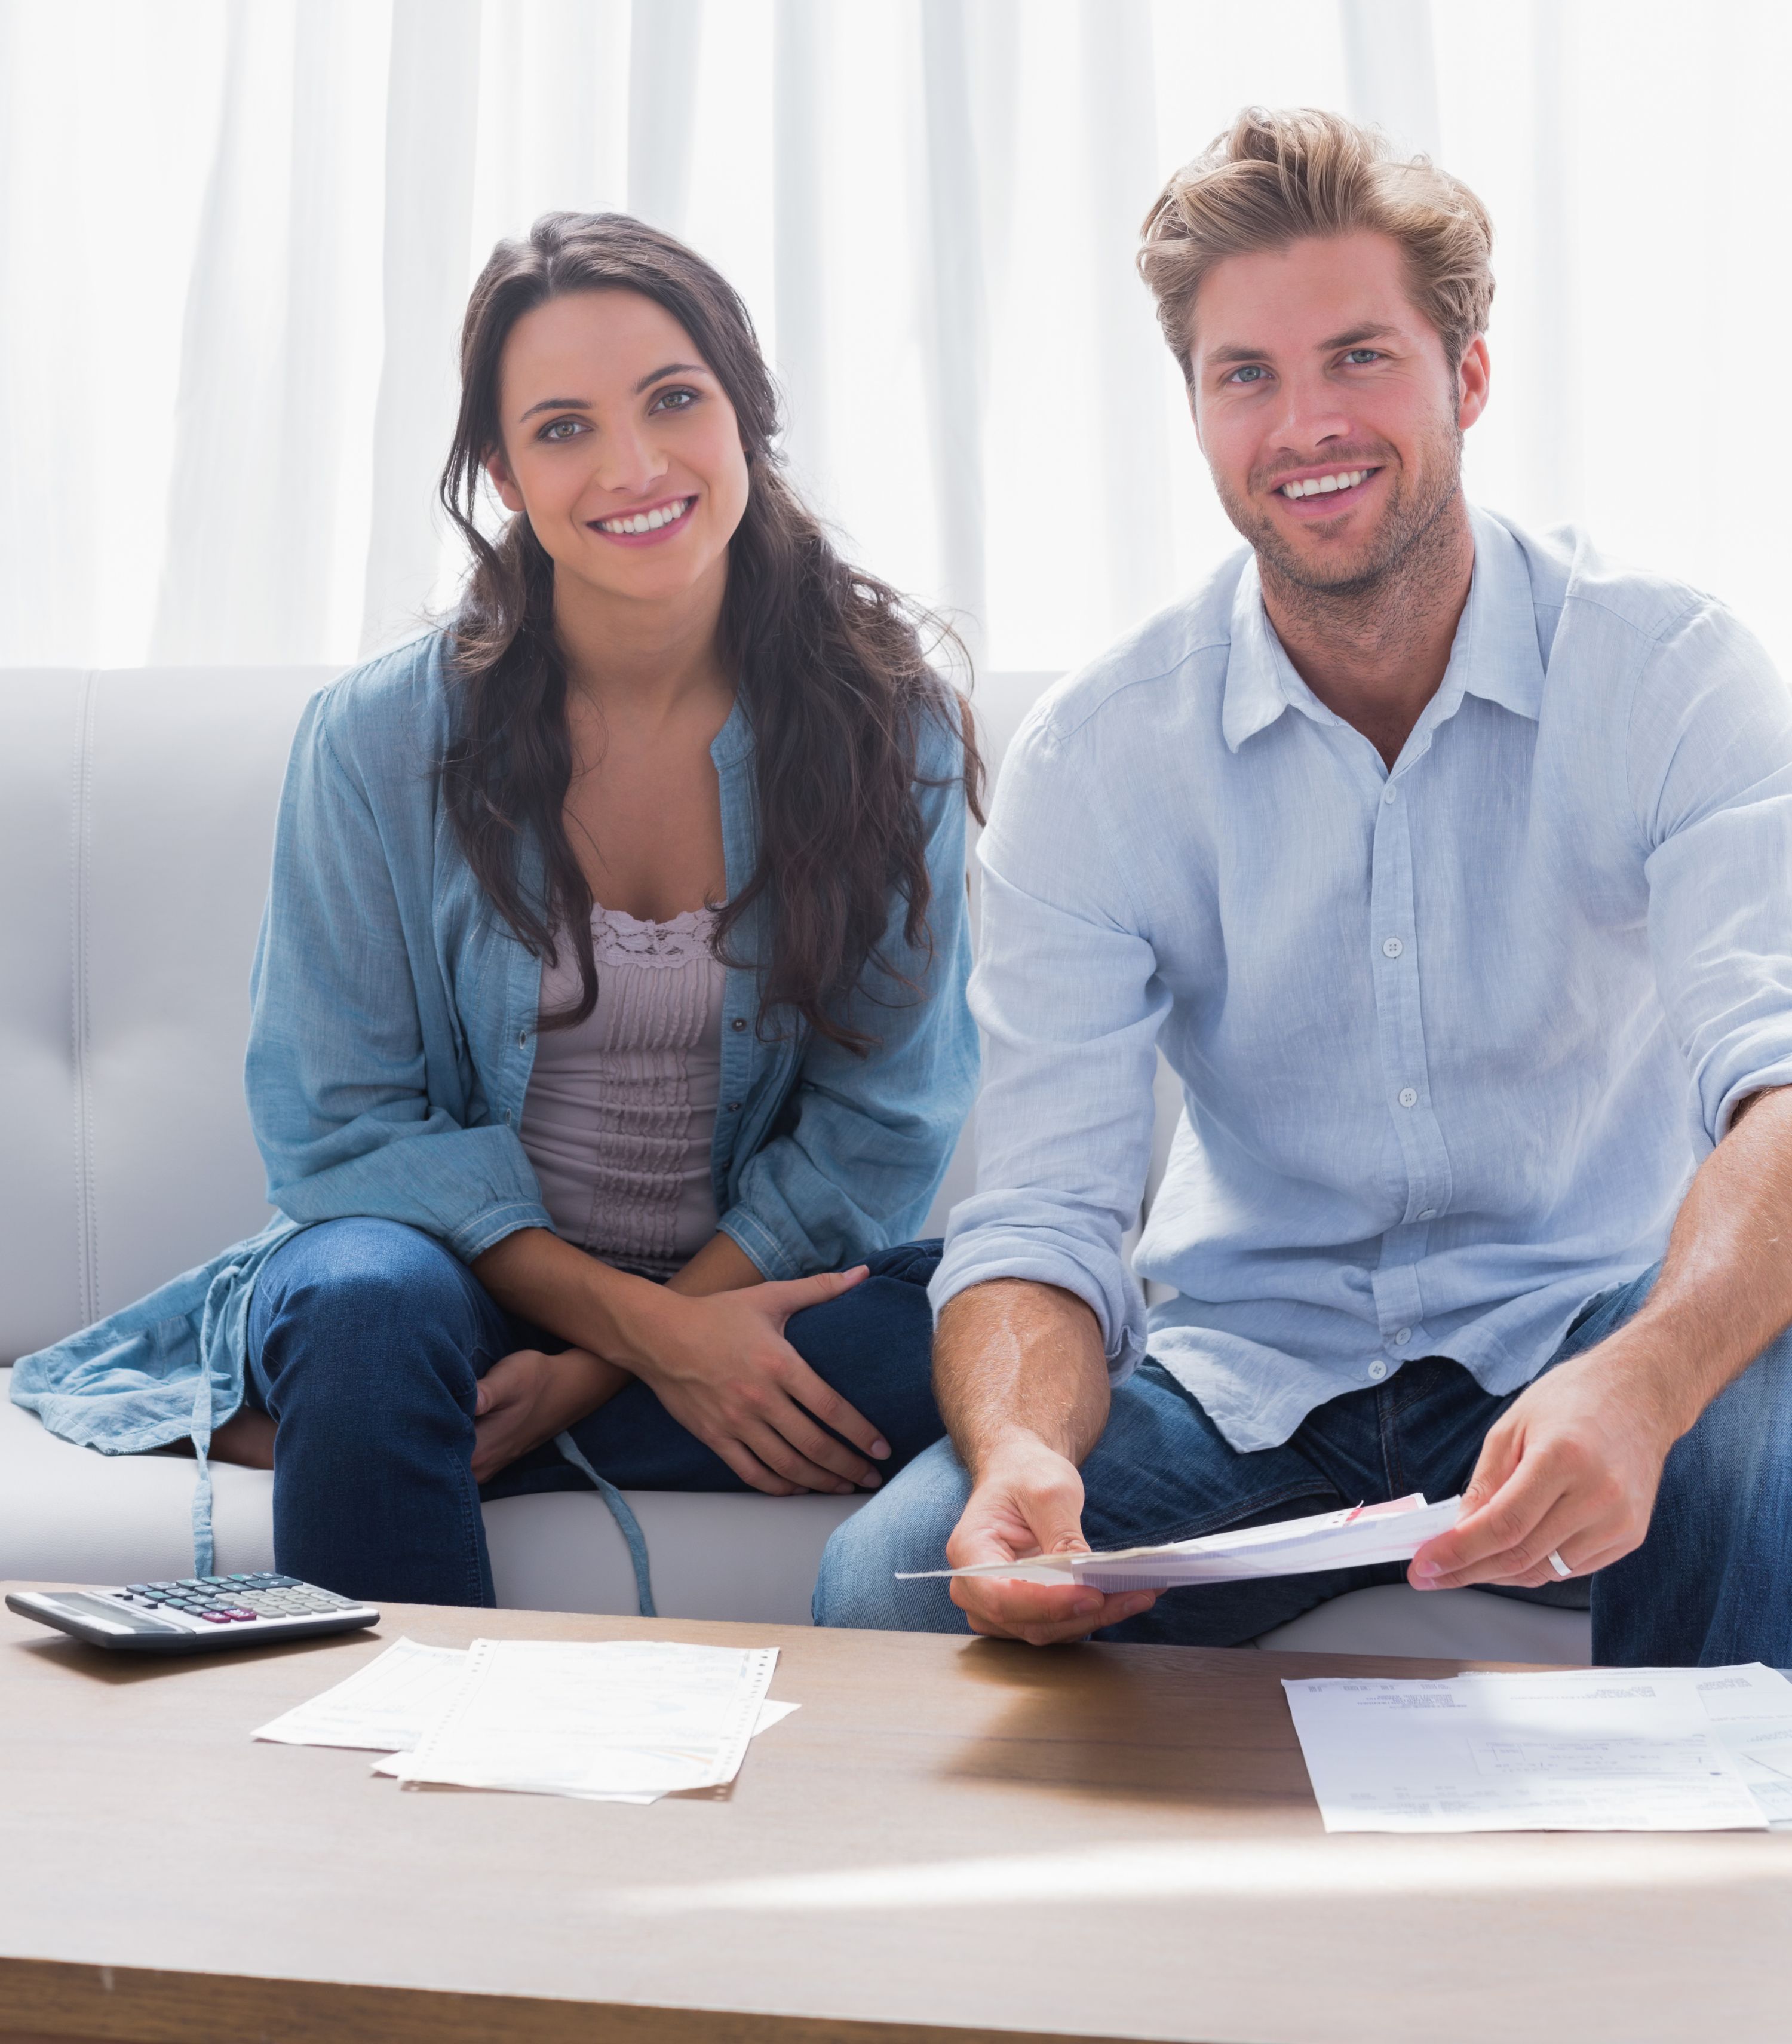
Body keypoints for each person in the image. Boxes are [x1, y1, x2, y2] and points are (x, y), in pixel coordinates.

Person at [814, 105, 1792, 1667]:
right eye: (1246, 376)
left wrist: (1652, 1377)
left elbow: (1779, 1086)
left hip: (1593, 1335)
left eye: (1360, 358)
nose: (1305, 424)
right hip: (1248, 1380)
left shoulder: (1669, 674)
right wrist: (1024, 1454)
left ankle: (1694, 1834)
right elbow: (1047, 1213)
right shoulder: (1100, 760)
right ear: (1198, 413)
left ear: (1470, 376)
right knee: (887, 1581)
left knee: (1756, 1422)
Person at [14, 213, 980, 1607]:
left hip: (736, 1288)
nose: (633, 466)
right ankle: (389, 1507)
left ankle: (384, 1441)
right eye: (564, 427)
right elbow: (343, 1122)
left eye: (673, 399)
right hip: (440, 1283)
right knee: (364, 1311)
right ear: (502, 473)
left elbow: (881, 1128)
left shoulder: (892, 728)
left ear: (746, 410)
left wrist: (598, 1366)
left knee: (968, 1326)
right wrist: (652, 1341)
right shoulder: (376, 738)